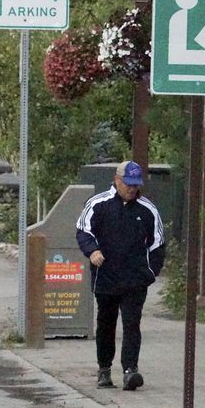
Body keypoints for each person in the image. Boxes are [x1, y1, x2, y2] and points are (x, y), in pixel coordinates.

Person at [76, 160, 165, 390]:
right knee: (106, 323)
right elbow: (83, 231)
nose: (132, 189)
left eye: (135, 185)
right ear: (117, 180)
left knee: (132, 323)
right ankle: (104, 369)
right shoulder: (98, 204)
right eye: (128, 184)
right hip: (106, 277)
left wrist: (150, 273)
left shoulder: (148, 209)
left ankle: (130, 370)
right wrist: (92, 251)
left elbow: (157, 244)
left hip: (135, 280)